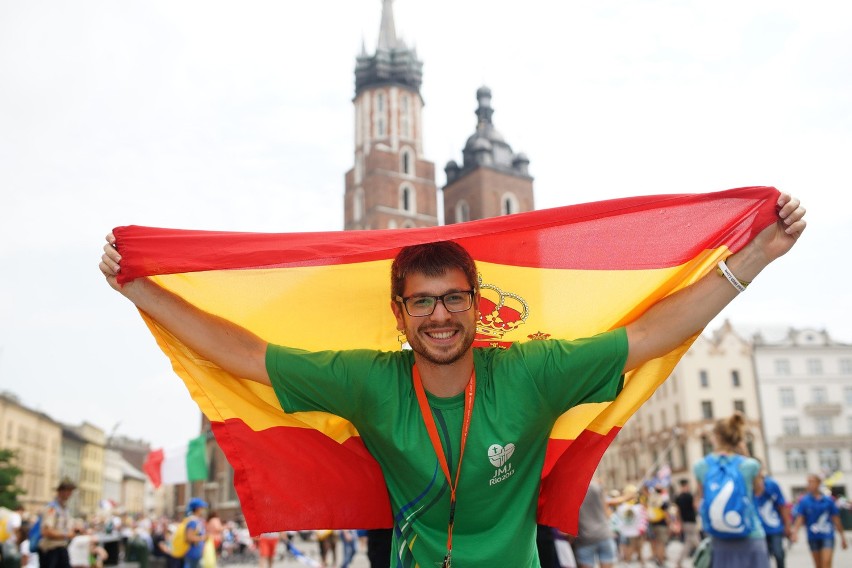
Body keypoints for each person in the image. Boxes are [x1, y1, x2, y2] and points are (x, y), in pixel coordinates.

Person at [99, 194, 806, 567]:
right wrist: (143, 292)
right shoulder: (369, 381)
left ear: (477, 304)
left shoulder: (531, 371)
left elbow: (655, 332)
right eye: (422, 302)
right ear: (399, 314)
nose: (440, 316)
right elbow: (248, 355)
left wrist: (757, 256)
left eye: (454, 298)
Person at [694, 412, 767, 567]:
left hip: (720, 538)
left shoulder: (701, 466)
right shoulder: (750, 465)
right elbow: (759, 491)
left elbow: (699, 500)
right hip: (751, 533)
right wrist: (745, 451)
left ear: (717, 436)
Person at [791, 474, 848, 568]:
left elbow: (836, 519)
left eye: (812, 482)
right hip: (813, 536)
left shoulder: (828, 500)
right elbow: (800, 518)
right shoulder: (804, 501)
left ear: (819, 483)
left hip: (827, 535)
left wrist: (843, 537)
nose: (810, 484)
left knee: (826, 562)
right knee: (818, 565)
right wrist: (795, 533)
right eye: (808, 482)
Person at [754, 464, 792, 568]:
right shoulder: (748, 485)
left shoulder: (772, 484)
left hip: (774, 526)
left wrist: (787, 525)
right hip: (757, 528)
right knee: (763, 557)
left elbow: (782, 505)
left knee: (778, 553)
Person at [572, 480, 617, 568]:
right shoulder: (596, 486)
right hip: (604, 534)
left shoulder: (571, 490)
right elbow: (607, 513)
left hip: (584, 538)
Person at [37, 478, 77, 568]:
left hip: (61, 547)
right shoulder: (52, 508)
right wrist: (67, 534)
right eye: (69, 491)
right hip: (50, 549)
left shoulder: (64, 508)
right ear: (62, 491)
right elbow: (46, 531)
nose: (70, 494)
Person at [673, 479, 700, 568]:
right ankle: (706, 557)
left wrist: (679, 522)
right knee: (696, 542)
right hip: (691, 521)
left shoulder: (678, 497)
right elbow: (695, 507)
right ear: (686, 486)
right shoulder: (689, 496)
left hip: (684, 522)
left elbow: (677, 511)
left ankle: (679, 562)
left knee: (689, 542)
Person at [182, 499, 207, 568]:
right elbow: (189, 537)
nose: (203, 510)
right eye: (202, 508)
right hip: (192, 553)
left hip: (196, 553)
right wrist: (202, 538)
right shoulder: (192, 521)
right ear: (197, 508)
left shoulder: (196, 520)